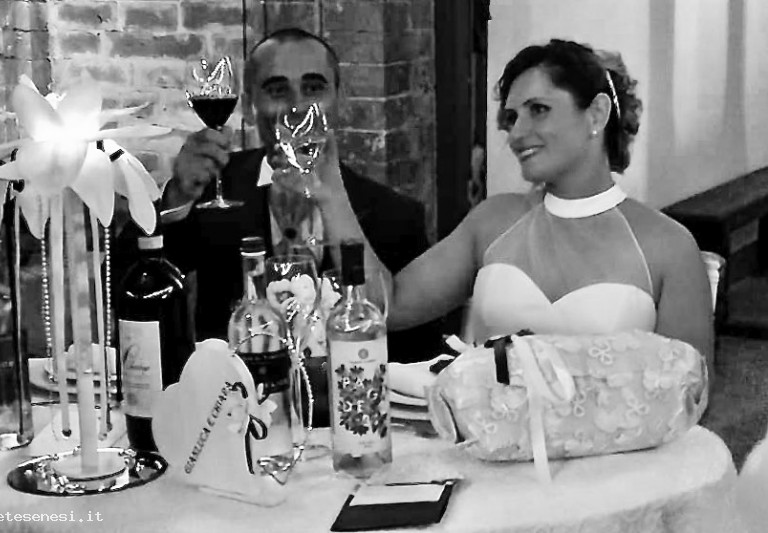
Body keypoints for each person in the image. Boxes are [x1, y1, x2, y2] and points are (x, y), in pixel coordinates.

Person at [306, 39, 714, 375]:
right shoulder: (493, 221)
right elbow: (387, 306)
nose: (517, 133)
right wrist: (331, 192)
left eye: (539, 110)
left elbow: (690, 392)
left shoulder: (668, 247)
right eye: (511, 117)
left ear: (596, 113)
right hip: (485, 446)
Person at [138, 28, 442, 362]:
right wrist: (178, 197)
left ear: (339, 100)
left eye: (313, 88)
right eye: (278, 90)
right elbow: (130, 292)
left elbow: (421, 355)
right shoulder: (214, 188)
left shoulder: (396, 216)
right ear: (251, 106)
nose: (297, 106)